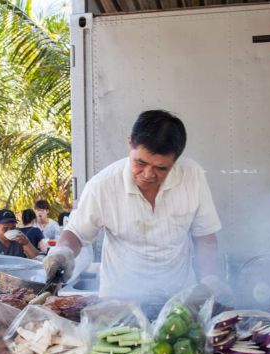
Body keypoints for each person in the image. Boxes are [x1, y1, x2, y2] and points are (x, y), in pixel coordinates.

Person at [43, 110, 225, 301]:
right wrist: (63, 252)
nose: (148, 174)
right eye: (140, 162)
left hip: (178, 299)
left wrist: (210, 278)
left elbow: (204, 237)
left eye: (161, 168)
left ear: (176, 159)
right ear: (130, 143)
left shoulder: (192, 176)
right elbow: (77, 233)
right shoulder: (103, 185)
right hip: (119, 299)